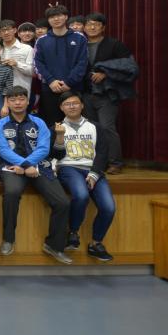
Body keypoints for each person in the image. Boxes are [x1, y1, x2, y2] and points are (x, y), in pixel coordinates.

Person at [0, 86, 72, 263]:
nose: (17, 103)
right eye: (13, 100)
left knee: (63, 202)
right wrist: (24, 165)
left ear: (28, 101)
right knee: (11, 193)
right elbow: (3, 150)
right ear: (7, 103)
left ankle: (54, 245)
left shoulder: (39, 123)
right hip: (11, 168)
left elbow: (44, 148)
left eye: (21, 99)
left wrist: (28, 165)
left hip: (39, 167)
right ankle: (8, 239)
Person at [52, 91, 116, 262]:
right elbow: (56, 156)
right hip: (68, 167)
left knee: (109, 207)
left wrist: (94, 173)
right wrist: (59, 137)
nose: (72, 106)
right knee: (81, 195)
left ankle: (96, 243)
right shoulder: (57, 127)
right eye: (67, 104)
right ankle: (72, 232)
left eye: (75, 103)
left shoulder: (95, 127)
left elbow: (102, 152)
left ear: (82, 105)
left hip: (93, 170)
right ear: (61, 108)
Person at [82, 13, 137, 174]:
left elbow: (130, 67)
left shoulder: (114, 45)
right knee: (90, 129)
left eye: (97, 24)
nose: (92, 27)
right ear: (84, 27)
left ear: (103, 27)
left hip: (107, 94)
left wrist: (106, 73)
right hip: (85, 93)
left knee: (107, 127)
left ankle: (115, 163)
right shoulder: (79, 45)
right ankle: (97, 162)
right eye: (89, 24)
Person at [33, 3, 88, 131]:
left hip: (73, 88)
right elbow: (38, 63)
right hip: (50, 88)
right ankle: (55, 145)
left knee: (75, 125)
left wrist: (69, 82)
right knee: (52, 125)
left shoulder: (79, 38)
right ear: (48, 20)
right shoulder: (42, 40)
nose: (56, 19)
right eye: (52, 17)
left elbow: (82, 63)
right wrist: (51, 81)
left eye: (59, 16)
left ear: (66, 17)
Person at [0, 19, 35, 93]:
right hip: (0, 91)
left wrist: (17, 64)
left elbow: (33, 71)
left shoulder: (27, 49)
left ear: (15, 30)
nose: (6, 32)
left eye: (9, 29)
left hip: (21, 91)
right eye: (3, 30)